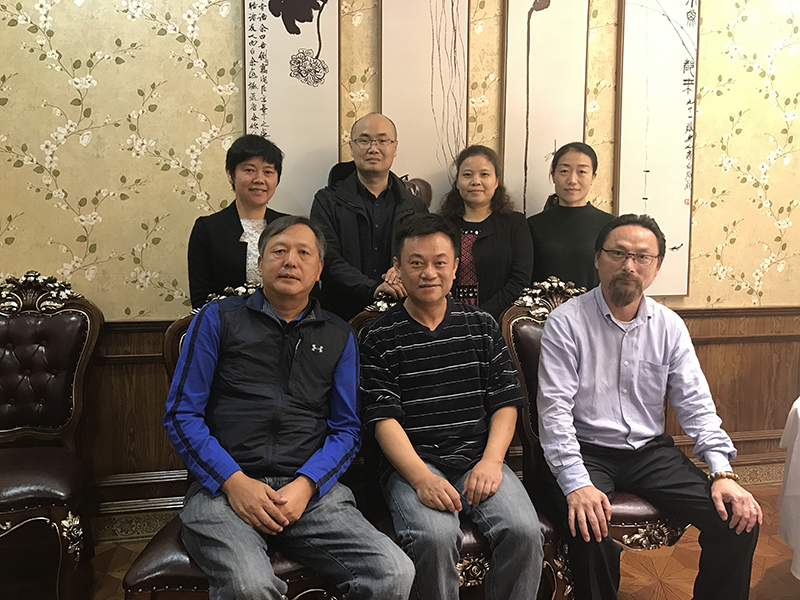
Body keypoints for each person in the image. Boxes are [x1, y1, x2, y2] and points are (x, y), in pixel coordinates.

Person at [165, 215, 414, 600]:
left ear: (319, 269)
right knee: (249, 586)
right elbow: (182, 415)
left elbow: (347, 429)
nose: (290, 261)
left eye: (303, 253)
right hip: (224, 490)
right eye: (279, 251)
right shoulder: (218, 319)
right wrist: (233, 481)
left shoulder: (339, 334)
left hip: (310, 494)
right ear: (260, 263)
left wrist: (307, 484)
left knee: (394, 572)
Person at [536, 213, 761, 600]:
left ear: (656, 267)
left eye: (642, 257)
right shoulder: (566, 323)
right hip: (585, 449)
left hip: (648, 452)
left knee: (738, 521)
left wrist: (722, 473)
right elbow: (554, 412)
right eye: (618, 254)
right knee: (589, 526)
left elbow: (696, 404)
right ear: (597, 258)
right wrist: (578, 483)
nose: (629, 265)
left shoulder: (669, 326)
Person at [360, 213, 544, 600]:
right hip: (414, 464)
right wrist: (421, 478)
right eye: (416, 263)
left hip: (478, 457)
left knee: (525, 531)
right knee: (435, 536)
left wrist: (492, 462)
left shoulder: (481, 325)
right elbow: (382, 419)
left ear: (456, 266)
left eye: (440, 262)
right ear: (397, 267)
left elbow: (506, 402)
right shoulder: (378, 335)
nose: (429, 273)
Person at [310, 112, 428, 321]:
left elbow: (425, 255)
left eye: (382, 141)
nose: (374, 148)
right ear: (351, 146)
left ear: (395, 148)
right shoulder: (327, 201)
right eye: (364, 141)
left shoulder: (414, 206)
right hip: (340, 316)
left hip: (403, 315)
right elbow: (326, 258)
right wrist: (373, 288)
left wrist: (401, 270)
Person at [187, 134, 288, 308]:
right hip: (226, 322)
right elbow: (201, 298)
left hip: (284, 321)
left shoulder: (289, 227)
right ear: (230, 174)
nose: (259, 179)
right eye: (249, 170)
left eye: (268, 172)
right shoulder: (208, 229)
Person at [439, 145, 533, 320]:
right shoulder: (441, 225)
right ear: (457, 182)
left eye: (484, 174)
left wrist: (481, 315)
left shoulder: (515, 224)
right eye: (468, 175)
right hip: (446, 318)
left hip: (497, 320)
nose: (476, 181)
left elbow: (520, 280)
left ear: (496, 181)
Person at [527, 142, 614, 289]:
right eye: (564, 171)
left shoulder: (610, 226)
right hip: (544, 304)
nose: (572, 180)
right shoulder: (533, 225)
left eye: (582, 172)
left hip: (595, 304)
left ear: (593, 177)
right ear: (553, 175)